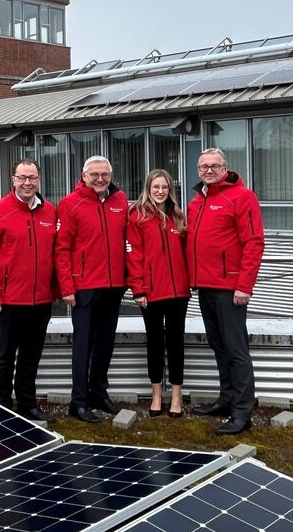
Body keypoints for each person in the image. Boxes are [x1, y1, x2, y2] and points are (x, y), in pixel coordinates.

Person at [186, 148, 265, 435]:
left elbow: (254, 242)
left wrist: (244, 285)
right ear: (198, 170)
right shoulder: (196, 202)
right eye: (204, 166)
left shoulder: (242, 197)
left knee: (236, 349)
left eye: (214, 166)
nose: (209, 170)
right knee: (219, 345)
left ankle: (242, 412)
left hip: (230, 289)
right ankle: (227, 399)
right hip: (205, 286)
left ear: (225, 168)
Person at [0, 159, 56, 423]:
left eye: (32, 178)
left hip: (40, 300)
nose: (27, 183)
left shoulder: (49, 212)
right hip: (8, 301)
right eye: (22, 178)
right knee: (4, 356)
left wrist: (55, 290)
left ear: (39, 180)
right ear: (13, 180)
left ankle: (27, 404)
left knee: (31, 357)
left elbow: (57, 254)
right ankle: (1, 406)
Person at [55, 155, 128, 423]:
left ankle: (98, 392)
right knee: (83, 346)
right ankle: (79, 401)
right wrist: (67, 287)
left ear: (111, 176)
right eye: (94, 174)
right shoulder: (70, 203)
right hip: (84, 287)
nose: (99, 179)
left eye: (104, 174)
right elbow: (61, 248)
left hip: (113, 286)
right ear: (84, 176)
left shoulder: (120, 201)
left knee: (106, 344)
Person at [126, 169, 189, 418]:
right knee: (154, 343)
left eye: (164, 187)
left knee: (176, 343)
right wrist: (138, 289)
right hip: (150, 292)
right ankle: (156, 395)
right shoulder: (138, 216)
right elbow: (133, 255)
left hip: (178, 292)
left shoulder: (178, 216)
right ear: (148, 189)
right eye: (156, 187)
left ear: (170, 190)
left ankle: (176, 396)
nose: (160, 191)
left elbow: (186, 253)